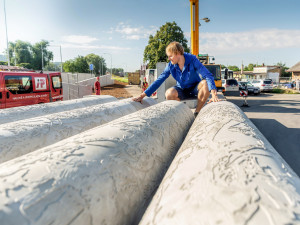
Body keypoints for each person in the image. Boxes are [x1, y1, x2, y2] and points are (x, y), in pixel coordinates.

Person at [133, 41, 219, 117]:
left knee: (205, 83)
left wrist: (214, 94)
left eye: (170, 56)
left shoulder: (193, 60)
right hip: (181, 89)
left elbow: (208, 75)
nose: (168, 58)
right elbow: (160, 80)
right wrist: (142, 96)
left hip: (195, 89)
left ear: (177, 53)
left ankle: (197, 112)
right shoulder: (171, 65)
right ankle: (183, 112)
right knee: (169, 93)